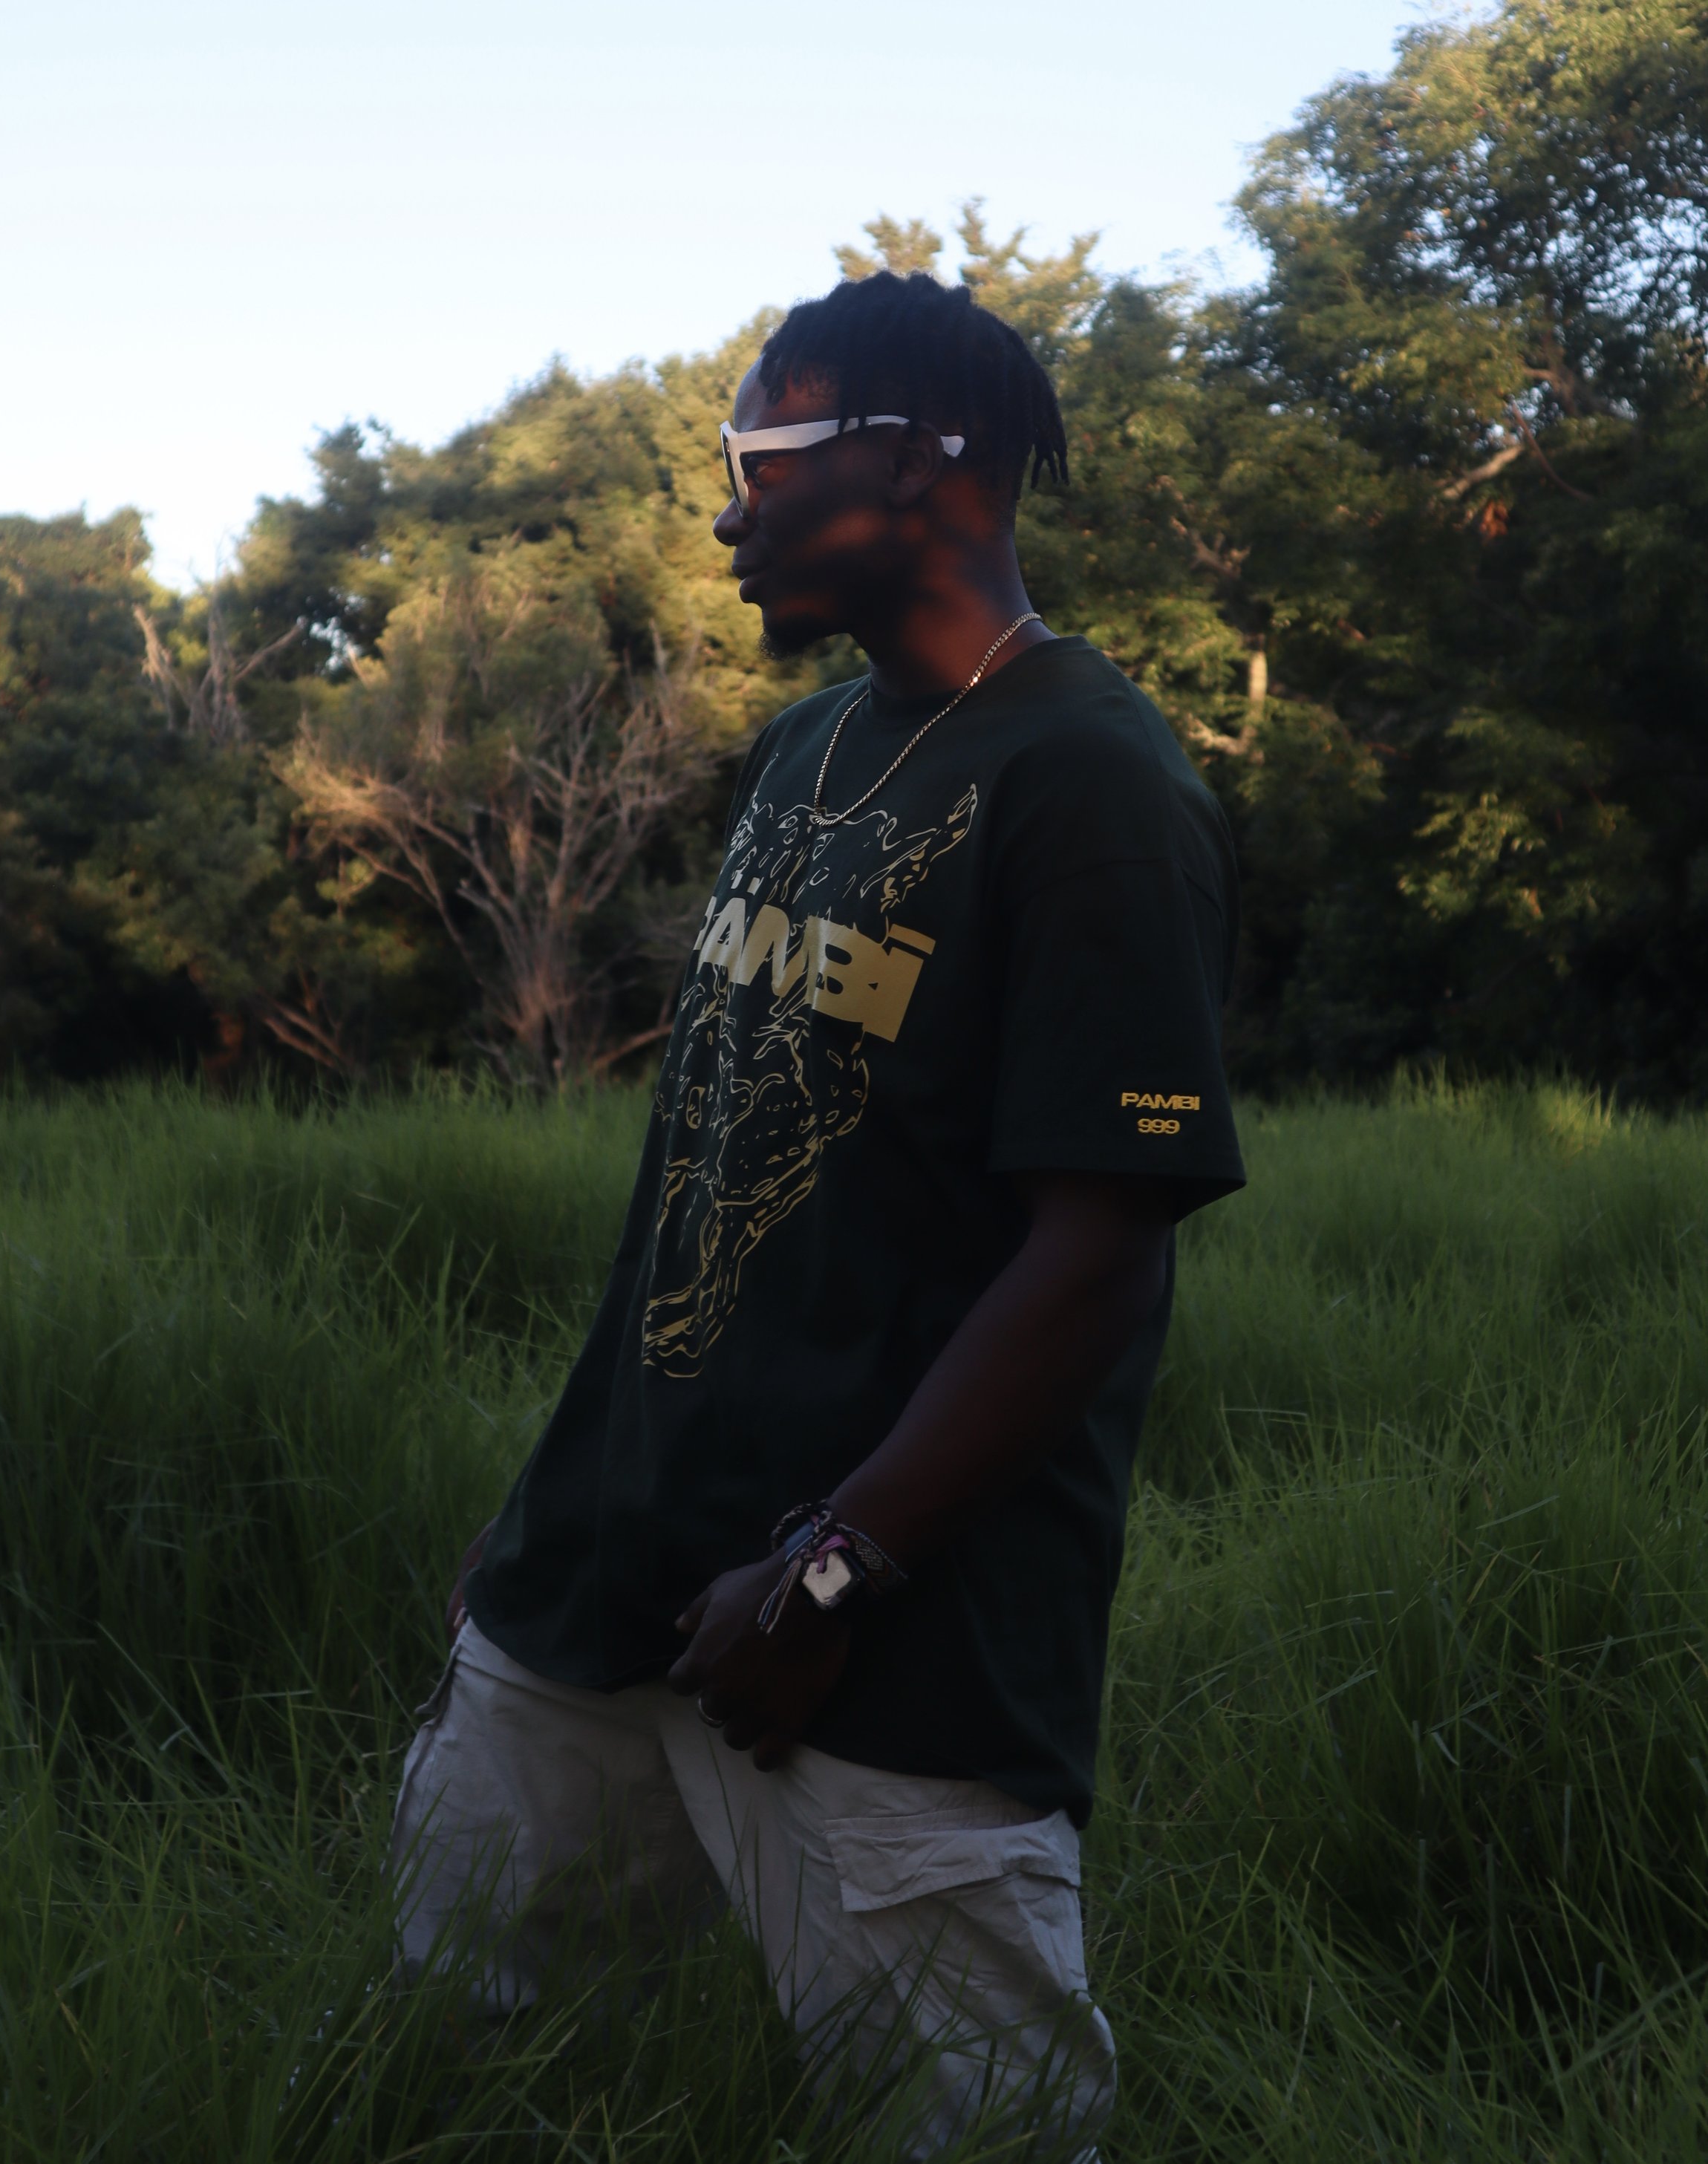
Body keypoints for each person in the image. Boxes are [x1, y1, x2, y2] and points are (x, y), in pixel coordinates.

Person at [388, 269, 1246, 2156]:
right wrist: (549, 1506)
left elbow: (1097, 1247)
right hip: (596, 1585)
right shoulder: (798, 752)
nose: (722, 506)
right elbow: (700, 1178)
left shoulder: (1091, 783)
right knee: (449, 2056)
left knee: (971, 2127)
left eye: (756, 453)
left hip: (874, 1644)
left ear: (926, 465)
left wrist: (832, 1567)